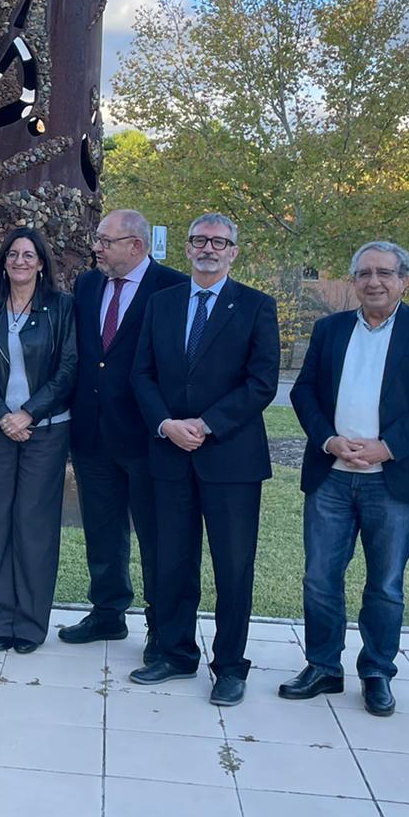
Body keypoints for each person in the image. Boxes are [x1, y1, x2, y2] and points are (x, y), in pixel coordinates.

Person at [281, 241, 409, 714]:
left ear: (404, 280)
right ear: (354, 280)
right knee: (320, 578)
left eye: (385, 273)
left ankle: (377, 671)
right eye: (364, 273)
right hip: (331, 476)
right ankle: (322, 666)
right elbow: (304, 393)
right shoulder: (330, 329)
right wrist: (329, 440)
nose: (374, 281)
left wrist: (388, 446)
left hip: (391, 479)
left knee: (385, 584)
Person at [130, 214, 280, 706]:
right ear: (187, 248)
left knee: (233, 567)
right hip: (169, 453)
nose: (208, 248)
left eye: (219, 242)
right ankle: (175, 654)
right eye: (199, 240)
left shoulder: (257, 306)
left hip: (230, 459)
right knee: (173, 560)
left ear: (234, 251)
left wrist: (207, 424)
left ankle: (231, 667)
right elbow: (142, 374)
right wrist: (167, 424)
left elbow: (262, 382)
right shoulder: (161, 303)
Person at [61, 209, 186, 658]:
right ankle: (108, 613)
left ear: (136, 245)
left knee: (156, 538)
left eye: (104, 240)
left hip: (148, 437)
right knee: (102, 531)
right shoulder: (88, 284)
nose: (96, 246)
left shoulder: (173, 286)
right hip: (93, 433)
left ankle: (159, 626)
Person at [0, 227, 78, 653]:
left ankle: (30, 625)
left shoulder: (61, 309)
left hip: (45, 431)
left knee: (34, 528)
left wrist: (28, 413)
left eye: (29, 255)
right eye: (13, 254)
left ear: (42, 263)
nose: (20, 262)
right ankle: (1, 622)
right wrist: (2, 415)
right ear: (3, 263)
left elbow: (68, 367)